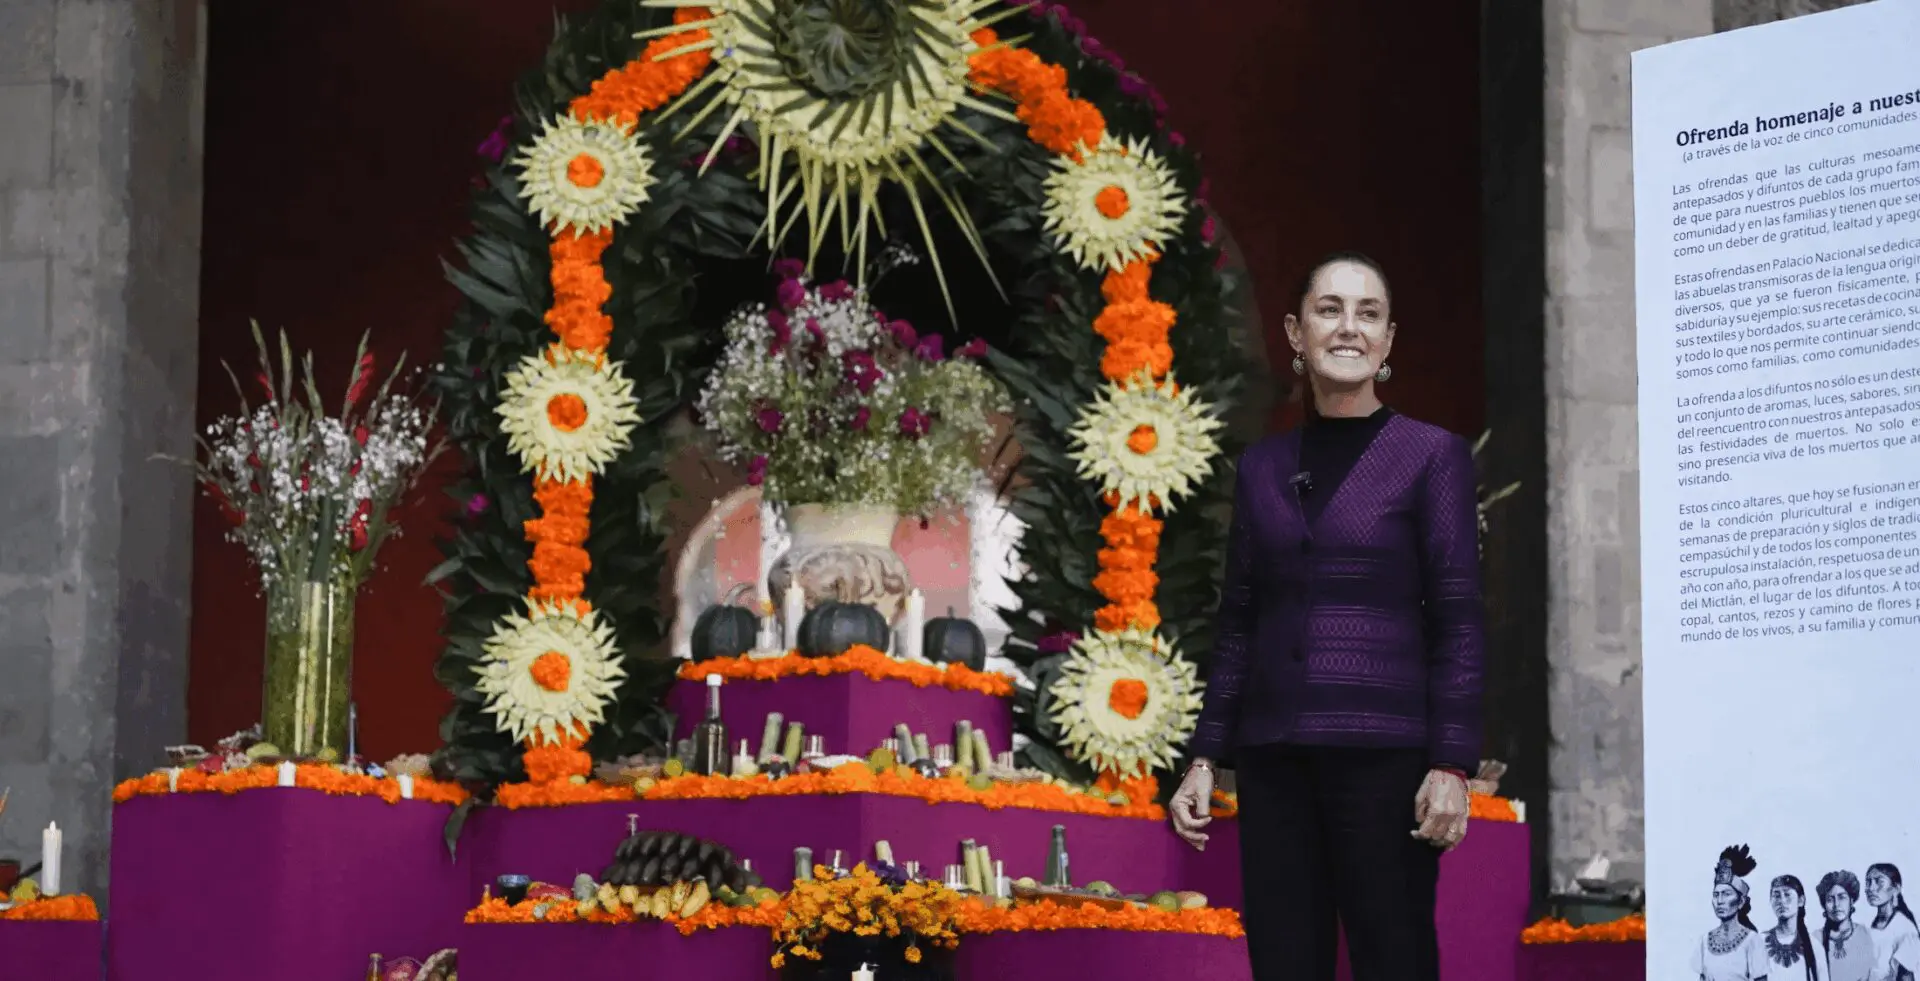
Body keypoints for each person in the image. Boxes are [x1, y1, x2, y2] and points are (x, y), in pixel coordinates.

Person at [1165, 251, 1484, 981]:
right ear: (1295, 332)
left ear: (1389, 341)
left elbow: (1460, 616)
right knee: (1283, 961)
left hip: (1388, 760)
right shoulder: (1263, 469)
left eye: (1368, 313)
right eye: (1330, 309)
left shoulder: (1432, 456)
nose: (1349, 327)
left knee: (1394, 958)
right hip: (1276, 761)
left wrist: (1451, 762)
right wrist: (1206, 756)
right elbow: (1239, 618)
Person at [1693, 845, 1770, 980]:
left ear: (1741, 902)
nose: (1720, 900)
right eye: (1716, 895)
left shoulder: (1753, 941)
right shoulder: (1704, 941)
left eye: (1726, 894)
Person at [1864, 863, 1919, 981]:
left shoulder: (1905, 930)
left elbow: (1907, 978)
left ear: (1896, 889)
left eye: (1879, 881)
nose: (1871, 888)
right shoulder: (1872, 926)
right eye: (1868, 882)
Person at [1822, 870, 1876, 981]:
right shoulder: (1815, 940)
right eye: (1830, 899)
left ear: (1851, 901)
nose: (1836, 905)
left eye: (1842, 897)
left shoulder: (1868, 936)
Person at [1766, 875, 1819, 981]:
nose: (1781, 901)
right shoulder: (1759, 942)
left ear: (1801, 900)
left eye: (1787, 894)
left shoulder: (1815, 946)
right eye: (1776, 896)